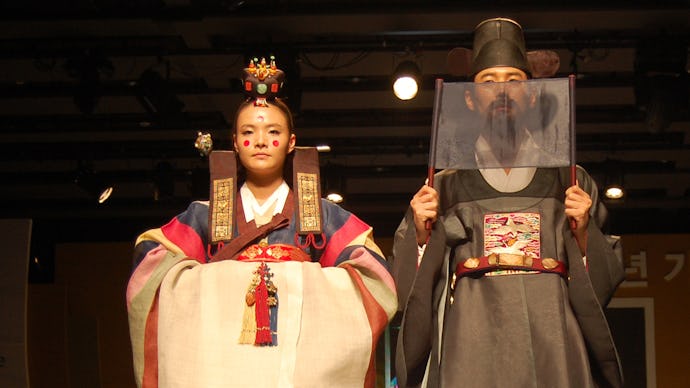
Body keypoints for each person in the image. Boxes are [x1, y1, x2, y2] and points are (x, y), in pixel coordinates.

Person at [126, 57, 397, 388]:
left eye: (273, 131)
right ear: (236, 143)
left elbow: (373, 275)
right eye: (248, 132)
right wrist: (215, 284)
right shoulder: (205, 215)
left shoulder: (322, 215)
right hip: (225, 362)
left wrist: (302, 283)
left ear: (291, 142)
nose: (260, 141)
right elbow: (151, 260)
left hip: (301, 364)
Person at [392, 18, 624, 388]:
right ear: (469, 97)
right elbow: (412, 289)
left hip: (553, 332)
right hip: (473, 331)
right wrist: (422, 236)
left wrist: (583, 236)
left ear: (532, 94)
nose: (502, 92)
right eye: (488, 82)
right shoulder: (443, 186)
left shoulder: (569, 181)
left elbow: (602, 284)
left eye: (514, 80)